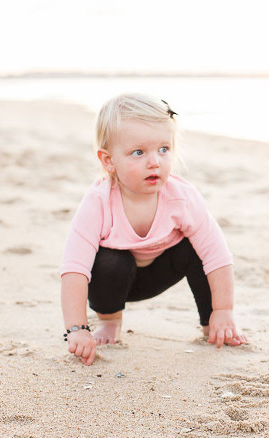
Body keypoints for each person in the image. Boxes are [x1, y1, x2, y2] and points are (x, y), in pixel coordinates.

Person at [60, 93, 246, 365]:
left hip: (162, 270)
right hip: (114, 280)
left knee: (197, 248)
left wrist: (224, 310)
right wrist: (77, 329)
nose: (154, 162)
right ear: (108, 160)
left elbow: (217, 255)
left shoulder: (181, 197)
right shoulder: (98, 202)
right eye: (138, 152)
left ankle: (212, 323)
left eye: (163, 149)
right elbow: (74, 268)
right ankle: (110, 322)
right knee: (110, 260)